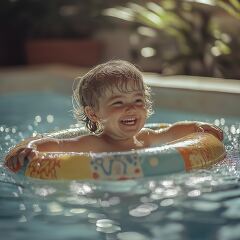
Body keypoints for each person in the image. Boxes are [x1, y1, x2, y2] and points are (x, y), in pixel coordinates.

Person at [5, 60, 223, 170]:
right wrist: (28, 148)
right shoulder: (92, 144)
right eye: (118, 103)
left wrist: (197, 127)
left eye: (138, 101)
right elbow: (54, 145)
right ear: (94, 114)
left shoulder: (147, 138)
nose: (131, 108)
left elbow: (172, 131)